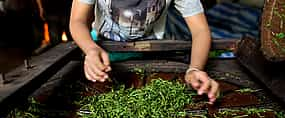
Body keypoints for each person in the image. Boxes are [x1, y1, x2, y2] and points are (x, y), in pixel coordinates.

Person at [69, 0, 220, 104]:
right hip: (102, 52)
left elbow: (200, 29)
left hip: (150, 51)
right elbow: (77, 20)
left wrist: (195, 68)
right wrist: (90, 49)